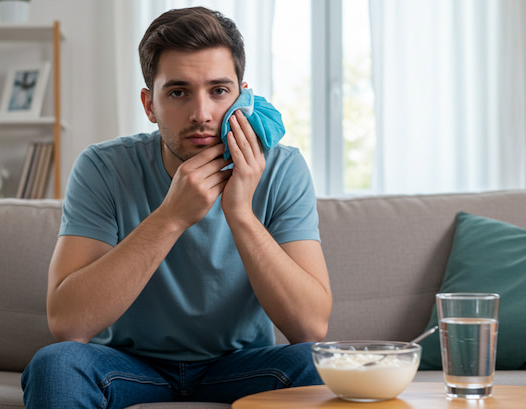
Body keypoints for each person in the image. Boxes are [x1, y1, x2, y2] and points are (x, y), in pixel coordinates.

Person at [21, 6, 332, 408]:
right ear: (150, 105)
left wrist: (240, 213)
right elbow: (67, 324)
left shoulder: (282, 168)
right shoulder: (103, 167)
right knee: (56, 364)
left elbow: (310, 327)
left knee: (318, 363)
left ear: (244, 98)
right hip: (128, 365)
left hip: (241, 366)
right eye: (178, 92)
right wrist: (171, 217)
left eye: (219, 91)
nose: (201, 115)